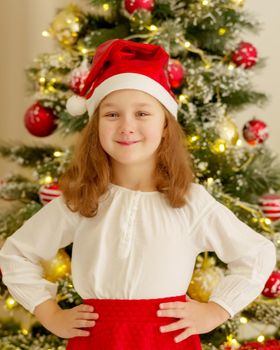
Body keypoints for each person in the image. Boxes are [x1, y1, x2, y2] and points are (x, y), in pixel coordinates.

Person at [0, 39, 276, 350]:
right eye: (112, 115)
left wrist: (216, 311)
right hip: (97, 339)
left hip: (166, 339)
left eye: (142, 114)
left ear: (165, 127)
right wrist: (50, 314)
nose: (126, 126)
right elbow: (17, 253)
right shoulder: (82, 198)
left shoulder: (189, 201)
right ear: (96, 127)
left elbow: (256, 254)